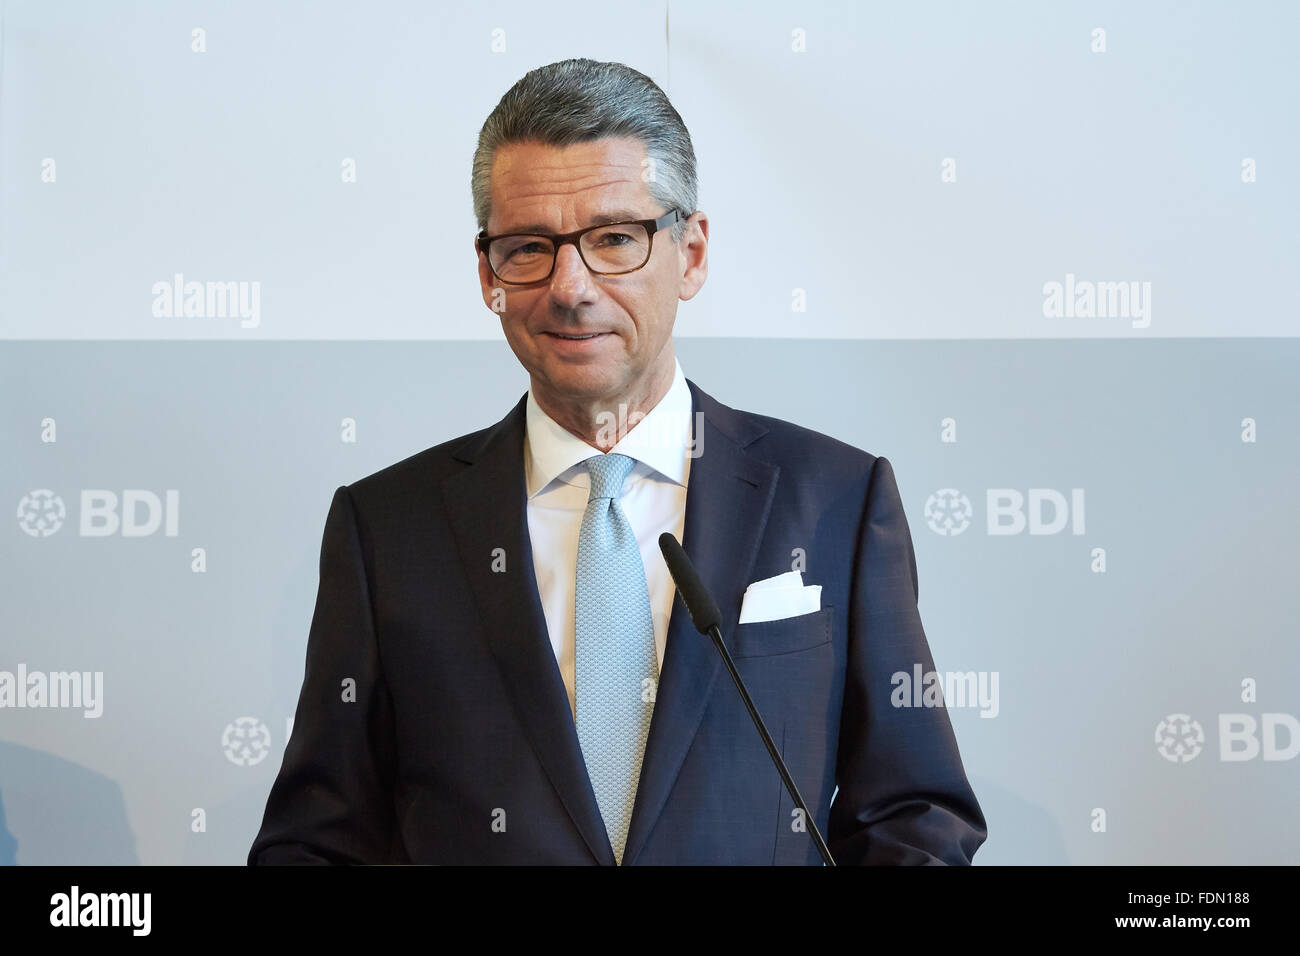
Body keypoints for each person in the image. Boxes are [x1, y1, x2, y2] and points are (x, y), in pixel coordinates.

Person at [248, 57, 986, 865]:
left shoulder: (836, 499)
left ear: (691, 253)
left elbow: (915, 814)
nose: (570, 286)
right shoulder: (387, 529)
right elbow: (320, 843)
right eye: (529, 248)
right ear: (487, 273)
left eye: (613, 240)